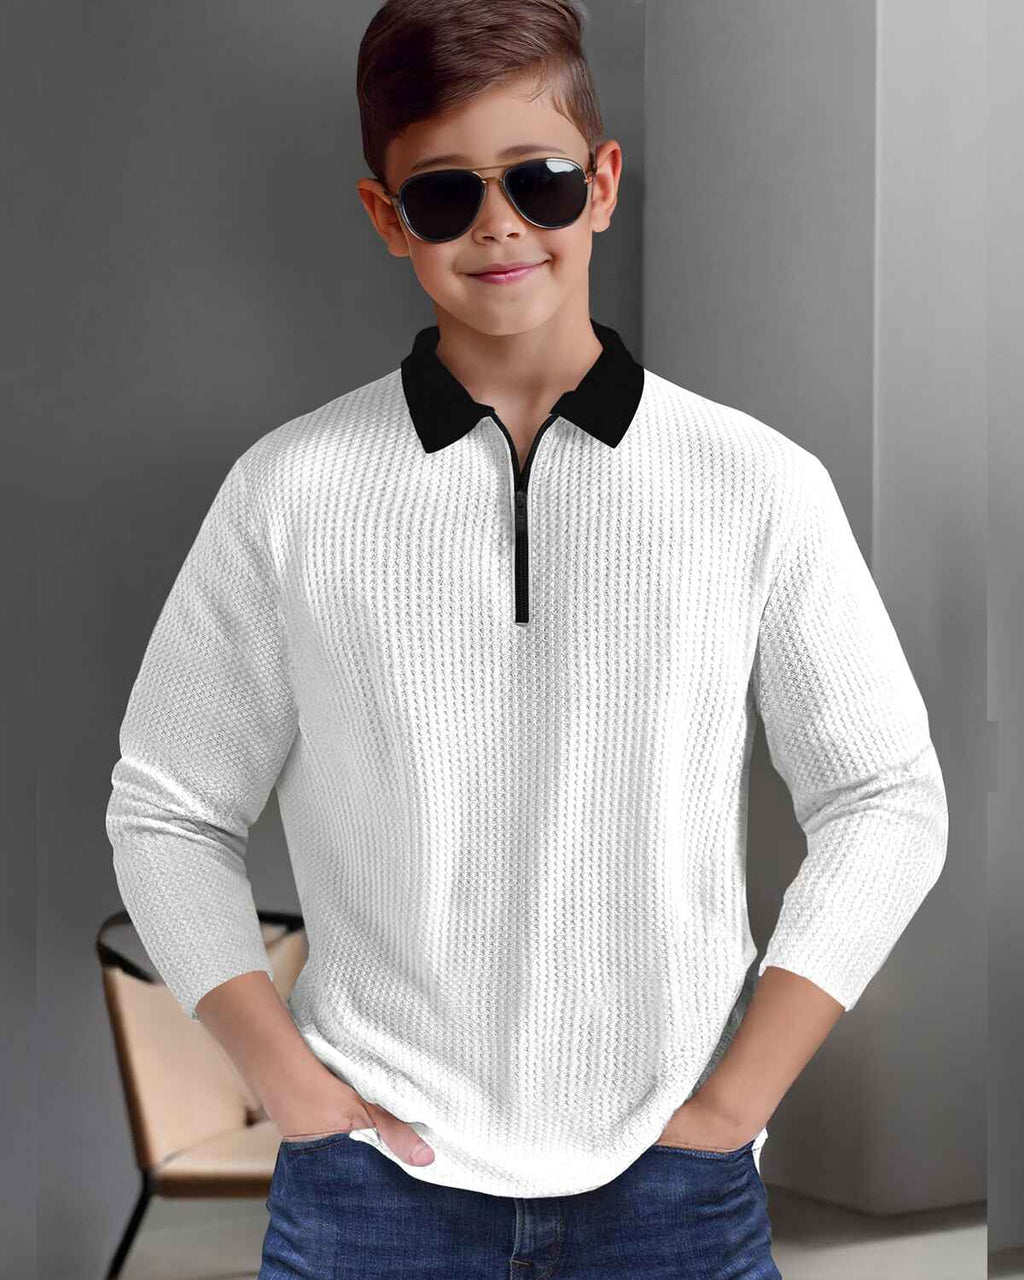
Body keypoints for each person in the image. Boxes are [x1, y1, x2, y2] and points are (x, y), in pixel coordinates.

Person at [104, 1, 949, 1275]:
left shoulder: (754, 483)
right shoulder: (288, 493)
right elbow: (166, 810)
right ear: (387, 216)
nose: (498, 225)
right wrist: (289, 1085)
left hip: (673, 1187)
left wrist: (737, 1101)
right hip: (370, 1191)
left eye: (538, 180)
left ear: (599, 185)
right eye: (444, 195)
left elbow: (886, 795)